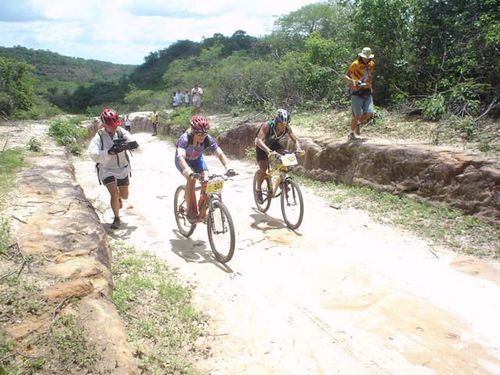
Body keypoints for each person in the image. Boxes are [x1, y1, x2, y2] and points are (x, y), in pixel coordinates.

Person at [175, 115, 234, 221]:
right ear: (193, 132)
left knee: (207, 179)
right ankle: (190, 211)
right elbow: (181, 158)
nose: (202, 136)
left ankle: (202, 209)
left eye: (205, 133)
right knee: (191, 179)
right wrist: (188, 171)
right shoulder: (184, 139)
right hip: (184, 161)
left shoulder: (208, 139)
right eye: (199, 133)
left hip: (197, 160)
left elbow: (220, 154)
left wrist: (228, 167)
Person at [88, 108, 139, 229]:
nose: (114, 128)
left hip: (122, 167)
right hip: (106, 168)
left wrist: (127, 145)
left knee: (124, 195)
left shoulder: (121, 132)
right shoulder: (99, 137)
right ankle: (117, 218)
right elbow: (93, 154)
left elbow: (133, 142)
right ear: (104, 125)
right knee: (114, 193)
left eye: (115, 125)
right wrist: (109, 152)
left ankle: (119, 200)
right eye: (111, 125)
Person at [254, 109, 302, 203]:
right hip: (262, 146)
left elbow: (296, 140)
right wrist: (269, 151)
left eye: (285, 124)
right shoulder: (267, 126)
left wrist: (299, 148)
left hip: (273, 144)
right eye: (281, 124)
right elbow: (258, 140)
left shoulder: (287, 128)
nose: (283, 127)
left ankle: (282, 181)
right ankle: (258, 190)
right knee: (263, 169)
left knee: (286, 156)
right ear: (276, 122)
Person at [344, 47, 376, 141]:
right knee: (356, 115)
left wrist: (371, 86)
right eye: (365, 57)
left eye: (368, 57)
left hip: (367, 90)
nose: (366, 59)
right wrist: (353, 81)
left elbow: (370, 76)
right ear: (361, 56)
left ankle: (358, 123)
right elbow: (345, 76)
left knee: (370, 112)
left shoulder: (371, 64)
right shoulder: (355, 64)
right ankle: (351, 134)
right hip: (356, 91)